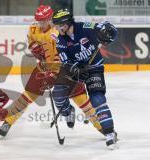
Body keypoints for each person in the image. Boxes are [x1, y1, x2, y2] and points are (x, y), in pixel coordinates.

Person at [0, 5, 103, 137]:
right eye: (39, 20)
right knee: (28, 95)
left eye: (43, 20)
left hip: (65, 69)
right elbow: (31, 41)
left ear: (50, 19)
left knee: (81, 99)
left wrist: (53, 72)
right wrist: (34, 48)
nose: (40, 23)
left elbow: (64, 55)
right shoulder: (33, 28)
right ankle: (8, 121)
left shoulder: (59, 31)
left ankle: (102, 127)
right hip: (44, 67)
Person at [52, 9, 118, 149]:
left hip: (94, 68)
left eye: (58, 25)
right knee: (57, 94)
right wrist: (75, 69)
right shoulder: (60, 41)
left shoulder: (85, 27)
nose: (56, 28)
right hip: (75, 70)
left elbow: (108, 28)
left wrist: (109, 34)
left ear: (65, 24)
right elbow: (66, 62)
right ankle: (68, 112)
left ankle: (109, 132)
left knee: (97, 99)